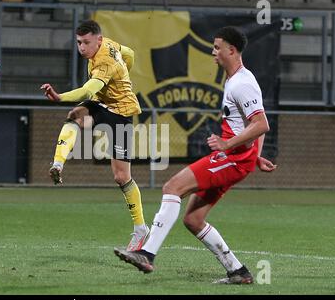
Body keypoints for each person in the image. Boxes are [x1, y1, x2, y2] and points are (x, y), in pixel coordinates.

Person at [114, 26, 277, 284]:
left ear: (231, 50)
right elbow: (253, 123)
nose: (213, 52)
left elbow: (261, 124)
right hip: (240, 157)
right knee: (193, 219)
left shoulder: (242, 83)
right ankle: (238, 272)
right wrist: (255, 154)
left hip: (233, 158)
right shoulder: (238, 79)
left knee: (172, 186)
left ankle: (146, 254)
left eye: (216, 47)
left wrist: (227, 145)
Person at [40, 20, 149, 251]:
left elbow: (88, 90)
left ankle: (141, 229)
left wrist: (59, 97)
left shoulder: (105, 63)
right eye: (79, 42)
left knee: (121, 177)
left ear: (98, 40)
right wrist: (125, 73)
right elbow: (129, 53)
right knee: (75, 116)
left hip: (121, 113)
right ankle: (58, 165)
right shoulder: (109, 44)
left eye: (86, 42)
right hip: (102, 104)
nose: (82, 47)